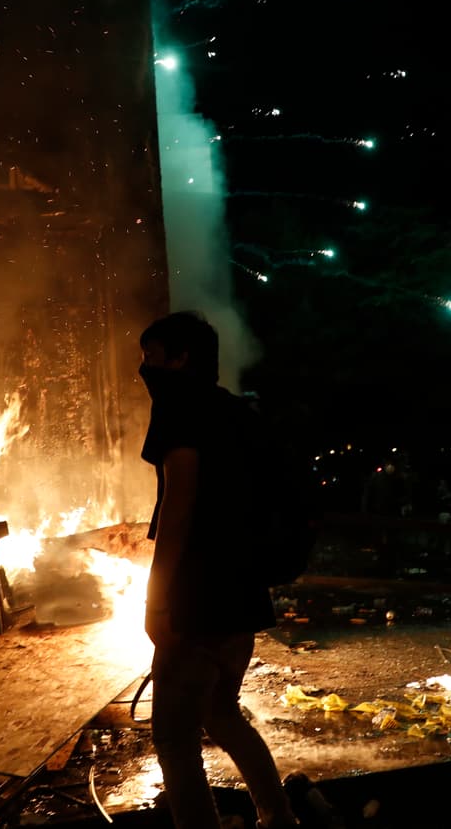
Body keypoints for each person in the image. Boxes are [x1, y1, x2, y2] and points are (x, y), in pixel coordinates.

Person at [137, 311, 299, 829]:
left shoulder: (179, 407)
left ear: (180, 358)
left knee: (174, 739)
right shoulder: (237, 412)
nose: (144, 368)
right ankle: (279, 818)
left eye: (151, 356)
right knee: (223, 714)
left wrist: (156, 598)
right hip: (243, 593)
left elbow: (179, 506)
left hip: (197, 598)